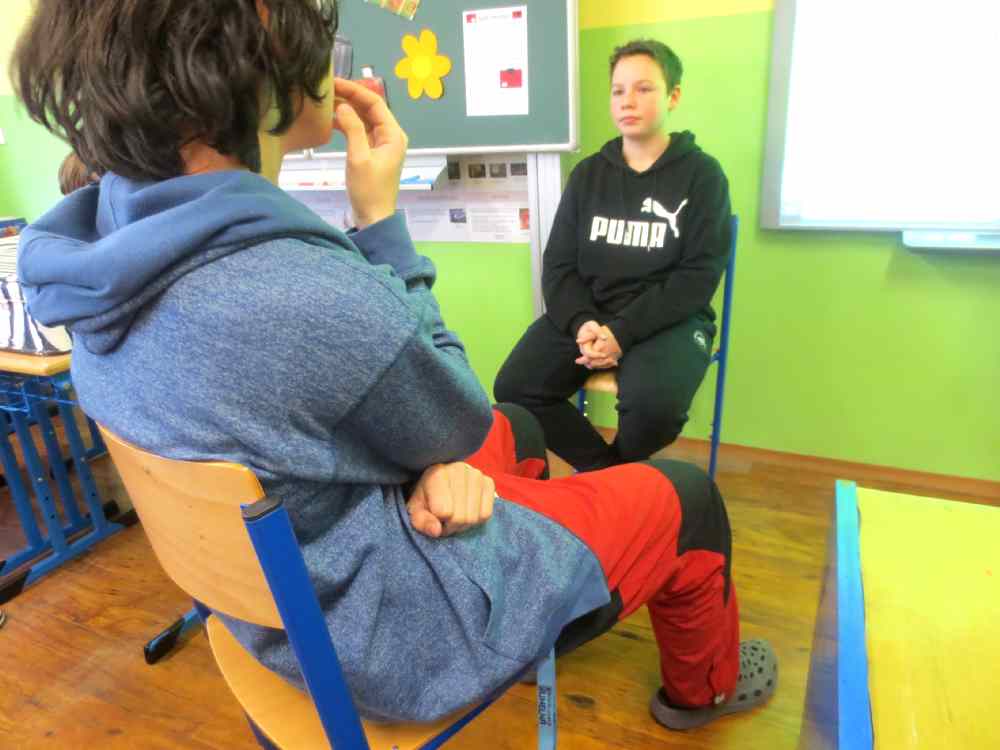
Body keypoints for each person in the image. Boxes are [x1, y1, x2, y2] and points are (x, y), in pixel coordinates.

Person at [11, 0, 774, 730]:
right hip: (392, 639)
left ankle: (539, 579)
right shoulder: (300, 291)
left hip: (275, 611)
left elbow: (393, 420)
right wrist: (381, 217)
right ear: (261, 44)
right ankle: (697, 688)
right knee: (689, 497)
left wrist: (435, 459)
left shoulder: (85, 270)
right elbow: (454, 414)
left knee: (514, 426)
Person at [495, 40, 732, 472]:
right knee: (516, 387)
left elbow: (697, 278)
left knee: (654, 408)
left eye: (644, 89)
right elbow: (559, 266)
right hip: (592, 311)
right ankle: (608, 474)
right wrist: (582, 322)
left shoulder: (703, 176)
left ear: (673, 96)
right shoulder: (588, 174)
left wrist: (622, 332)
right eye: (618, 90)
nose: (628, 101)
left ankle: (618, 473)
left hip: (667, 320)